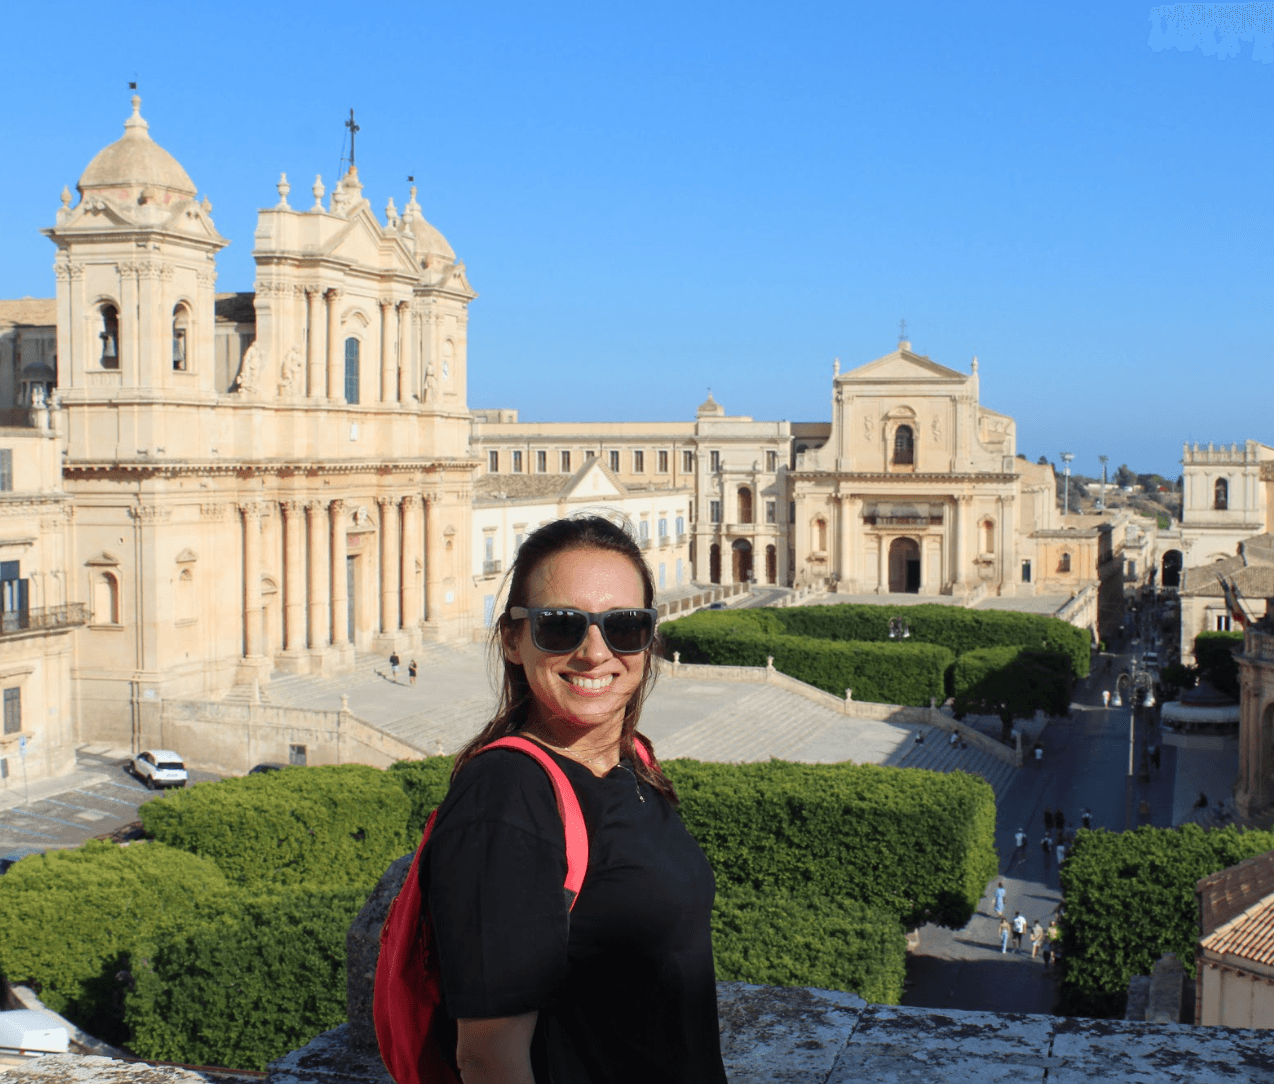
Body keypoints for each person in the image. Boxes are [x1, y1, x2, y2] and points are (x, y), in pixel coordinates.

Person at [422, 516, 728, 1083]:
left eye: (625, 626)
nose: (595, 652)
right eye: (561, 626)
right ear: (513, 639)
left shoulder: (633, 760)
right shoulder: (507, 798)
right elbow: (488, 1057)